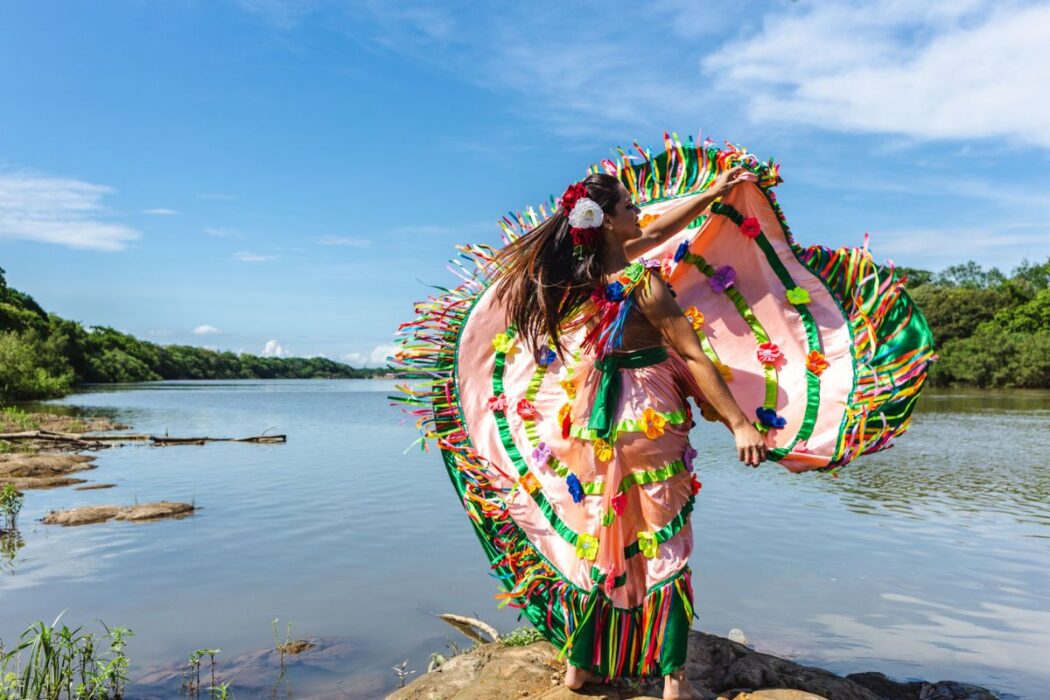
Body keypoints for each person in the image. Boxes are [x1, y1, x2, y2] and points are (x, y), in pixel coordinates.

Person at [487, 166, 767, 699]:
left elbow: (659, 232)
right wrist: (738, 421)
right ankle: (673, 680)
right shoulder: (645, 284)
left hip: (594, 417)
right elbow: (691, 353)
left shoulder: (575, 279)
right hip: (647, 415)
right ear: (611, 223)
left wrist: (712, 192)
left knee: (606, 537)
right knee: (667, 540)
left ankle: (582, 667)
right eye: (630, 207)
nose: (640, 213)